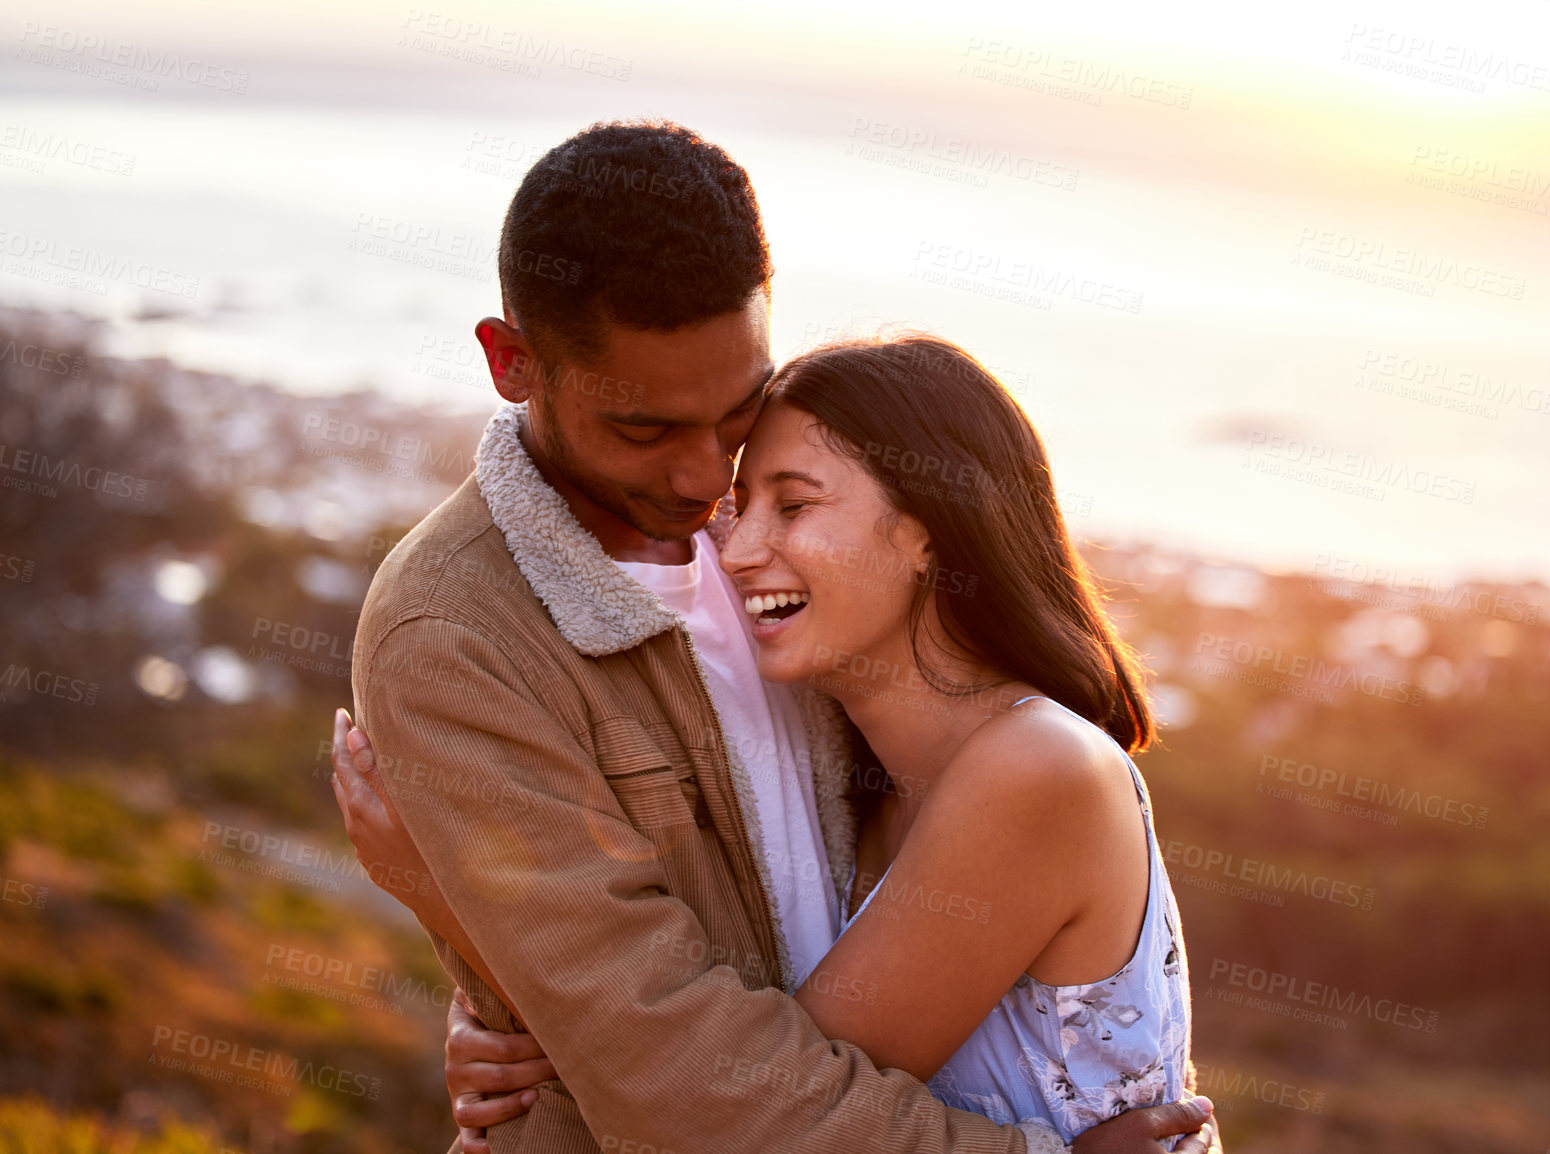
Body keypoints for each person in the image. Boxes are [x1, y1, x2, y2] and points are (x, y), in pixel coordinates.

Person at [330, 118, 1220, 1154]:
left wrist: (508, 970)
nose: (708, 482)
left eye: (738, 420)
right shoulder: (458, 631)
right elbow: (671, 1067)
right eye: (646, 430)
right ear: (512, 360)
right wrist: (498, 951)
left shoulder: (797, 551)